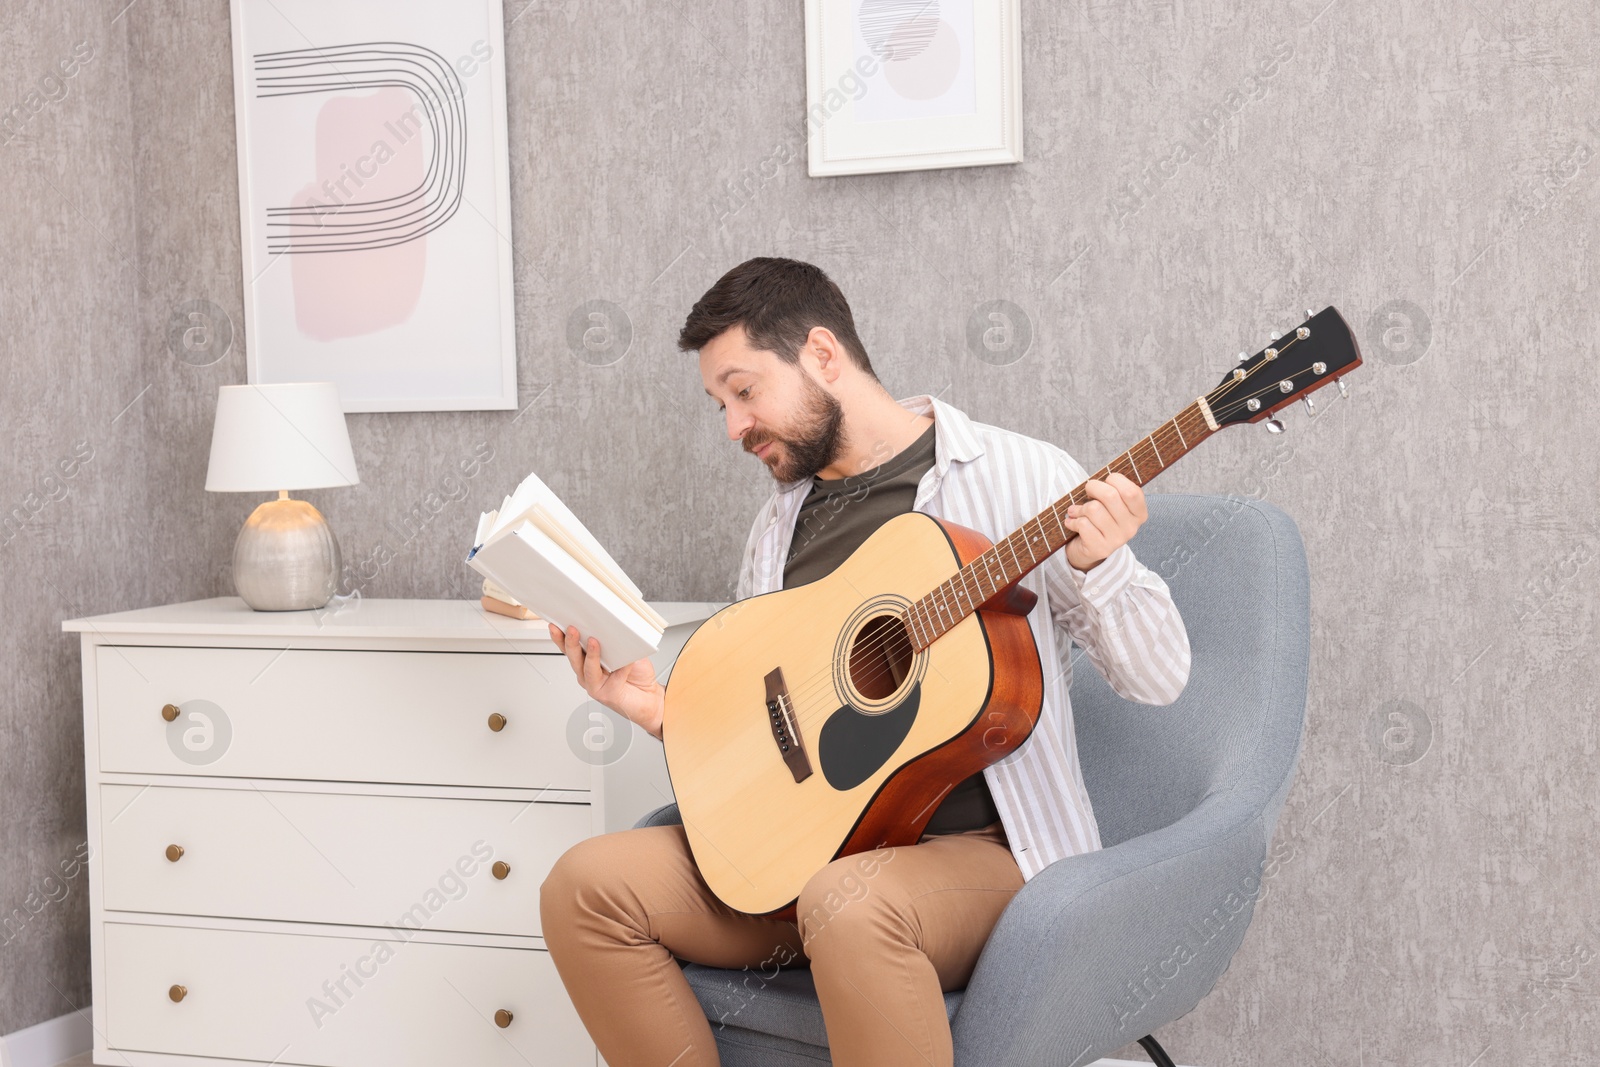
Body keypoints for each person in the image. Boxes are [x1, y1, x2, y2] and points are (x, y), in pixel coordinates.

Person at [540, 257, 1191, 1067]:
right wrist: (660, 713)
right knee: (585, 886)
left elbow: (1159, 679)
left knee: (846, 903)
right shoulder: (775, 531)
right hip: (815, 855)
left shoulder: (1020, 477)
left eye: (744, 392)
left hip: (989, 855)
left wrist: (1109, 571)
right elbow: (774, 734)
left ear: (821, 354)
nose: (732, 427)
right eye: (719, 404)